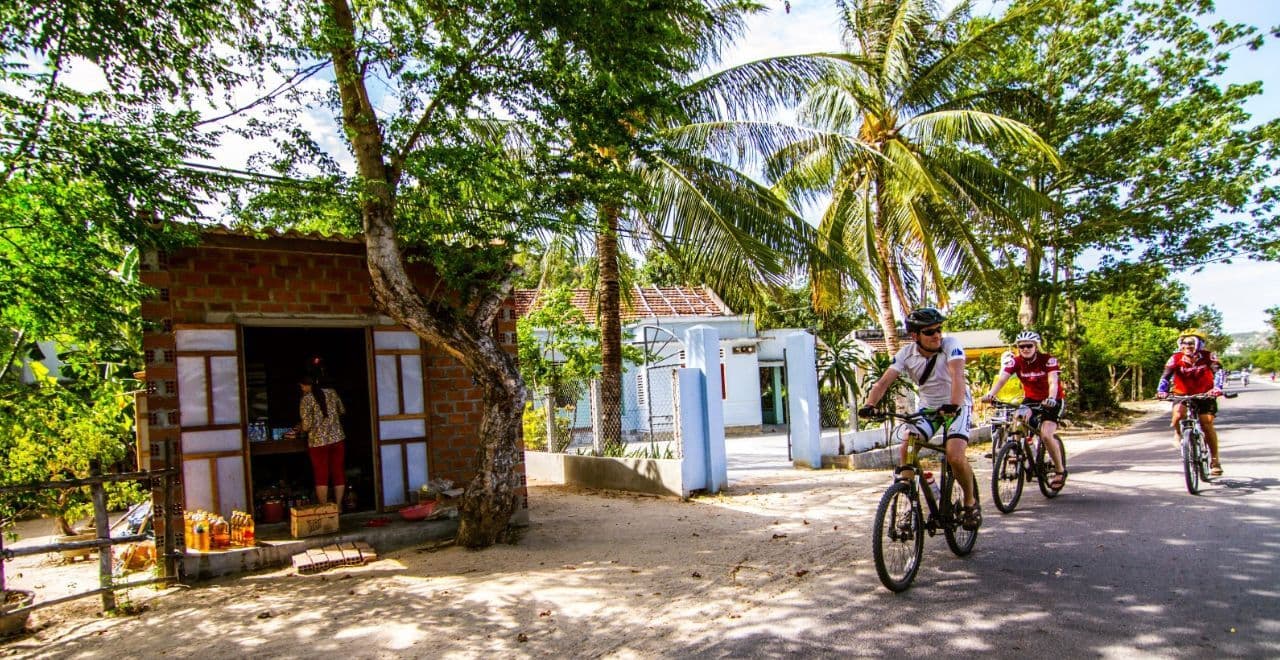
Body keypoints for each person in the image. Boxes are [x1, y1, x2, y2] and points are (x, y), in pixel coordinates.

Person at [859, 307, 979, 531]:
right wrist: (869, 405)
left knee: (954, 455)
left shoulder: (950, 345)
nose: (937, 335)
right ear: (915, 336)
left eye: (939, 329)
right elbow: (883, 383)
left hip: (957, 404)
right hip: (929, 408)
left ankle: (970, 503)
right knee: (907, 446)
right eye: (930, 331)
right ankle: (907, 503)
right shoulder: (906, 354)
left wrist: (953, 405)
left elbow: (958, 376)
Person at [980, 331, 1067, 489]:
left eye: (1029, 346)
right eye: (1021, 346)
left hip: (1052, 400)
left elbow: (1053, 381)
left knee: (1046, 435)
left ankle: (1060, 471)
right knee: (1017, 422)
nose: (1025, 349)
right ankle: (1017, 451)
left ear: (1036, 346)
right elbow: (1002, 379)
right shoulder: (1016, 361)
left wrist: (1052, 398)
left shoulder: (1048, 360)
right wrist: (991, 395)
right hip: (1031, 400)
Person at [1156, 329, 1225, 476]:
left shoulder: (1208, 356)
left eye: (1191, 342)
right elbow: (1166, 375)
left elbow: (1218, 372)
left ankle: (1215, 460)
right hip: (1182, 393)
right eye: (1184, 343)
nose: (1187, 345)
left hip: (1205, 394)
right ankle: (1178, 433)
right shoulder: (1175, 358)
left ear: (1199, 344)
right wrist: (1161, 390)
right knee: (1177, 416)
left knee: (1206, 423)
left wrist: (1217, 388)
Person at [296, 373, 347, 507]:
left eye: (302, 386)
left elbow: (306, 426)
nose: (301, 389)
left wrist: (300, 428)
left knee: (321, 474)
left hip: (318, 442)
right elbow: (342, 410)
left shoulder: (306, 400)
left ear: (307, 385)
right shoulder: (332, 392)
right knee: (338, 471)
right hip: (337, 439)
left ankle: (324, 507)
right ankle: (339, 506)